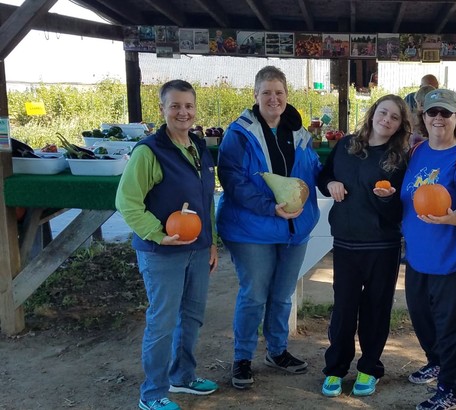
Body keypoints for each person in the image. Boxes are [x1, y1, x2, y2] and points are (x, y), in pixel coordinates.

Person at [216, 65, 321, 390]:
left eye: (279, 93)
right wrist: (269, 208)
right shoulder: (240, 134)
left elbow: (312, 171)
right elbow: (232, 179)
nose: (273, 99)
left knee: (283, 293)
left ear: (287, 96)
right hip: (252, 228)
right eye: (266, 93)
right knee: (255, 293)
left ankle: (276, 351)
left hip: (293, 229)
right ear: (256, 96)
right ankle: (242, 357)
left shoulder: (300, 133)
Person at [116, 79, 219, 410]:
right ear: (162, 110)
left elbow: (207, 199)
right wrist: (158, 233)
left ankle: (183, 376)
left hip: (198, 248)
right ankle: (153, 392)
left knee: (191, 316)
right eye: (175, 106)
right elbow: (127, 201)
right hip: (162, 252)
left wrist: (212, 242)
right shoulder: (149, 151)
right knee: (162, 322)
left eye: (188, 106)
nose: (182, 112)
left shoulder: (199, 147)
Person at [401, 89, 456, 410]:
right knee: (424, 320)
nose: (438, 118)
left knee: (455, 330)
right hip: (419, 257)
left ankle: (451, 389)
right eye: (432, 112)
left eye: (446, 113)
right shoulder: (417, 152)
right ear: (423, 117)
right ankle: (435, 361)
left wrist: (451, 218)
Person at [316, 94, 411, 398]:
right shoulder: (346, 145)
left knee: (376, 309)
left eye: (394, 117)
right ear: (373, 113)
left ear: (400, 125)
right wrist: (330, 184)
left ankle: (369, 367)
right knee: (344, 309)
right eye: (383, 113)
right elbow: (324, 176)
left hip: (383, 244)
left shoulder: (400, 157)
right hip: (346, 241)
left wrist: (388, 200)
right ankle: (335, 369)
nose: (387, 120)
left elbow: (402, 210)